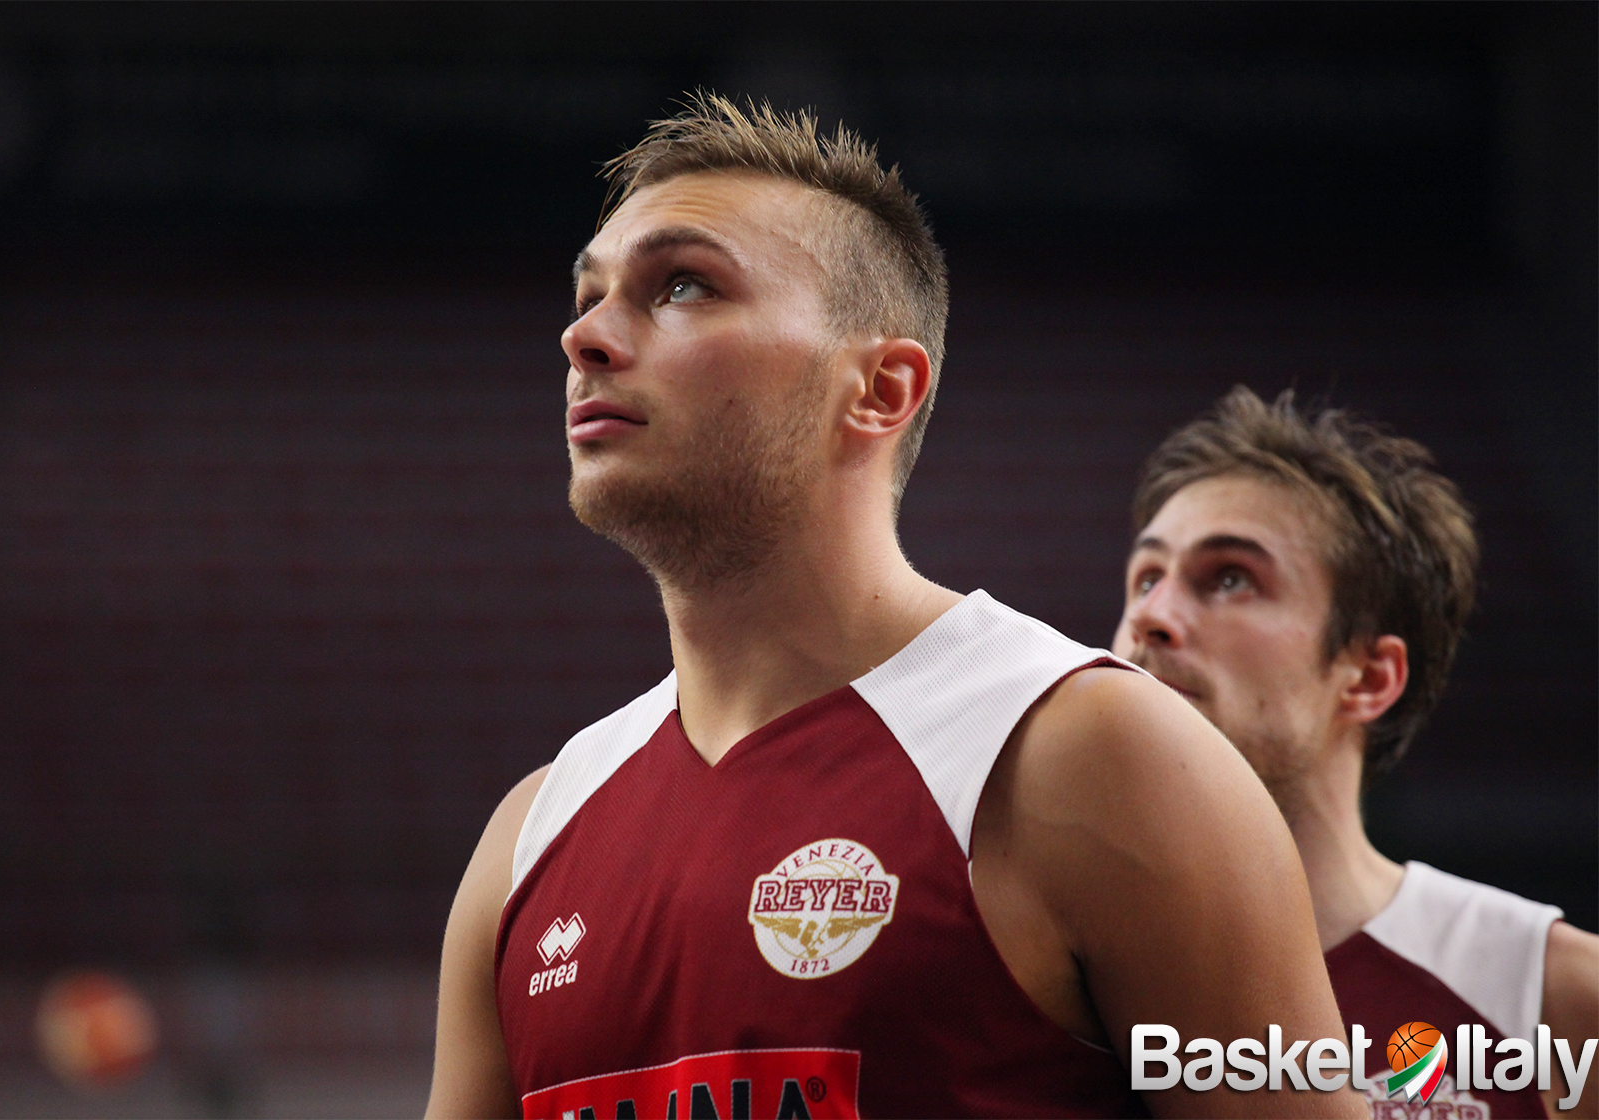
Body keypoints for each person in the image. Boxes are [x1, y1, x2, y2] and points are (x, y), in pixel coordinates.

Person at [427, 94, 1356, 1120]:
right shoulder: (530, 838)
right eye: (590, 293)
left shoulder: (1101, 755)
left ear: (879, 389)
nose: (584, 336)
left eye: (681, 286)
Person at [1112, 387, 1599, 1119]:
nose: (1150, 617)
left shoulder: (1548, 992)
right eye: (1146, 578)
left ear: (1368, 676)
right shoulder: (1025, 977)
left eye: (1230, 577)